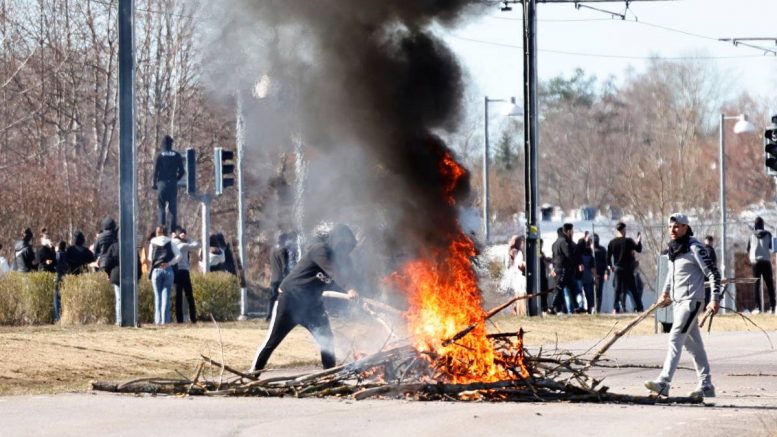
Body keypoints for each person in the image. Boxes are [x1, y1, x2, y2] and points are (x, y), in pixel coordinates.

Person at [251, 224, 361, 373]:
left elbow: (353, 277)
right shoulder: (320, 250)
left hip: (312, 306)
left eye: (348, 248)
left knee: (327, 339)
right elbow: (334, 272)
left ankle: (329, 375)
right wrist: (349, 288)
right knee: (272, 341)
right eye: (343, 246)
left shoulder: (343, 261)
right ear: (336, 242)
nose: (345, 251)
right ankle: (254, 373)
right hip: (290, 300)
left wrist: (361, 297)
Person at [645, 213, 721, 399]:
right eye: (670, 227)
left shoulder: (695, 247)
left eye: (677, 226)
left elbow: (713, 273)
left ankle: (664, 382)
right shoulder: (674, 249)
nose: (672, 230)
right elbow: (671, 276)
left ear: (686, 227)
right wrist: (665, 293)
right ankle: (706, 385)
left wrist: (715, 299)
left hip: (691, 301)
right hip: (678, 303)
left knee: (675, 337)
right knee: (693, 346)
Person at [148, 226, 182, 325]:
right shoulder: (170, 242)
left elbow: (150, 258)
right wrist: (169, 263)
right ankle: (165, 321)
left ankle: (157, 320)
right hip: (168, 270)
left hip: (156, 270)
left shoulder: (152, 242)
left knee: (157, 296)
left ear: (157, 232)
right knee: (166, 297)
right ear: (166, 232)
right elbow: (179, 256)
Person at [607, 222, 643, 313]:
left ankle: (615, 308)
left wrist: (610, 266)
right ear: (623, 230)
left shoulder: (612, 242)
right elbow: (638, 249)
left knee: (617, 289)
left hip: (618, 268)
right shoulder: (628, 241)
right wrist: (638, 241)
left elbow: (608, 257)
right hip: (628, 268)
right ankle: (639, 307)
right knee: (633, 289)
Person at [152, 135, 185, 232]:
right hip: (172, 185)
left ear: (162, 144)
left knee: (161, 208)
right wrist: (176, 179)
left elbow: (155, 171)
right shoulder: (177, 155)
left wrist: (154, 183)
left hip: (161, 184)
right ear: (171, 144)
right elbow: (182, 171)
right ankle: (172, 231)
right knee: (172, 209)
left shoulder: (158, 155)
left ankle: (162, 231)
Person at [747, 217, 775, 314]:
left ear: (755, 225)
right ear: (763, 225)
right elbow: (772, 247)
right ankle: (772, 307)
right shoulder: (768, 234)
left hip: (755, 263)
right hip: (766, 261)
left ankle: (757, 307)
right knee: (769, 285)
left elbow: (748, 248)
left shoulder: (751, 235)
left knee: (756, 285)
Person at [172, 227, 199, 323]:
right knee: (189, 295)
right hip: (183, 271)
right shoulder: (182, 245)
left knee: (178, 295)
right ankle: (193, 317)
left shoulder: (171, 242)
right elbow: (196, 245)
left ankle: (179, 319)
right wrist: (188, 238)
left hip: (175, 271)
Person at [550, 224, 579, 314]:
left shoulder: (555, 243)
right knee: (559, 288)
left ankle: (576, 307)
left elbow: (553, 257)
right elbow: (568, 255)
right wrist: (576, 264)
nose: (573, 233)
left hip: (558, 268)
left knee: (571, 287)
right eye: (572, 231)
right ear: (568, 231)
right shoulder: (564, 242)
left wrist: (553, 268)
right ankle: (552, 307)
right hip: (563, 269)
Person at [267, 232, 293, 321]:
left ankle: (269, 316)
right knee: (286, 298)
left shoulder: (272, 250)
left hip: (273, 278)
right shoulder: (283, 250)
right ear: (283, 240)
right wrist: (288, 277)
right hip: (281, 279)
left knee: (272, 298)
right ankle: (285, 316)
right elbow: (285, 266)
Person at [502, 235, 527, 315]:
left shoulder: (509, 251)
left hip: (511, 278)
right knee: (520, 294)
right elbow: (519, 264)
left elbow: (507, 265)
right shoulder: (517, 252)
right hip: (517, 277)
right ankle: (520, 312)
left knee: (515, 296)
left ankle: (516, 312)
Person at [577, 236, 596, 314]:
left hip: (579, 276)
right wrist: (595, 277)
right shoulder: (589, 253)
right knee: (589, 294)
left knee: (579, 292)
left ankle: (580, 307)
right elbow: (592, 267)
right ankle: (590, 308)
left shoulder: (577, 253)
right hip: (588, 275)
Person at [592, 234, 609, 313]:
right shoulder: (589, 250)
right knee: (592, 292)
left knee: (598, 292)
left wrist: (606, 272)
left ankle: (597, 309)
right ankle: (592, 308)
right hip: (591, 274)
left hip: (600, 274)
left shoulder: (602, 250)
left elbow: (606, 262)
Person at [53, 241, 68, 322]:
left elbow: (56, 264)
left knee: (56, 296)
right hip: (65, 275)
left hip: (58, 275)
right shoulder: (66, 254)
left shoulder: (58, 254)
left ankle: (57, 317)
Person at [702, 236, 718, 307]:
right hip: (708, 274)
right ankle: (705, 307)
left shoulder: (702, 250)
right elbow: (712, 263)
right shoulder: (710, 250)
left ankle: (704, 307)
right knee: (707, 292)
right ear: (711, 242)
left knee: (704, 292)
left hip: (703, 274)